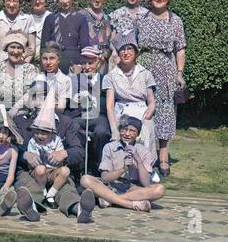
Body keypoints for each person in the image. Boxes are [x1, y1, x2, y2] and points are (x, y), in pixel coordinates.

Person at [13, 86, 95, 223]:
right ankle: (31, 208)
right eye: (35, 97)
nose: (40, 102)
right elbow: (11, 147)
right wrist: (24, 154)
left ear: (55, 102)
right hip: (30, 171)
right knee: (27, 185)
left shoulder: (65, 122)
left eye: (44, 97)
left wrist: (65, 153)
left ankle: (79, 209)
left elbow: (79, 151)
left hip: (57, 172)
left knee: (67, 188)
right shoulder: (21, 121)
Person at [136, 0, 187, 176]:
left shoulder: (175, 20)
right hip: (145, 66)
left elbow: (180, 48)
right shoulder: (142, 18)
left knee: (165, 111)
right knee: (143, 108)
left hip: (166, 69)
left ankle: (163, 155)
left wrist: (179, 72)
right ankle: (143, 154)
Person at [80, 115, 165, 212]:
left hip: (133, 189)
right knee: (85, 179)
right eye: (124, 130)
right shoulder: (109, 147)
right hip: (111, 187)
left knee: (159, 189)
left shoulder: (144, 151)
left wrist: (137, 159)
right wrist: (123, 170)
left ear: (137, 134)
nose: (127, 134)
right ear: (119, 131)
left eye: (132, 131)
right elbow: (105, 178)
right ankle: (130, 204)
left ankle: (109, 199)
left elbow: (146, 183)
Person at [103, 30, 157, 155]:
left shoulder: (145, 74)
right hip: (122, 112)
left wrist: (149, 113)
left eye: (129, 49)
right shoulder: (111, 76)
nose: (126, 53)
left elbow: (151, 102)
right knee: (122, 135)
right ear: (118, 53)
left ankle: (145, 168)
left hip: (142, 112)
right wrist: (114, 129)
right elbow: (110, 106)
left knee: (146, 132)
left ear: (136, 53)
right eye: (122, 50)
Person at [66, 46, 111, 175]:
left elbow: (109, 102)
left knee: (101, 131)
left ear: (98, 63)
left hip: (99, 116)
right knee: (73, 127)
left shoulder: (105, 79)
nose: (87, 66)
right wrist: (76, 99)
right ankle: (77, 167)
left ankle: (100, 167)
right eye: (84, 63)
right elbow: (69, 103)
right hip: (80, 116)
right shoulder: (74, 80)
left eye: (90, 63)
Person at [26, 86, 70, 209]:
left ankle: (51, 194)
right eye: (37, 132)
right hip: (39, 172)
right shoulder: (33, 142)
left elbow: (60, 159)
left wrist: (57, 158)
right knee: (40, 169)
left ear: (52, 133)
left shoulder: (56, 140)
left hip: (53, 170)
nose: (39, 135)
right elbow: (33, 163)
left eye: (44, 133)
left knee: (66, 171)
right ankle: (42, 192)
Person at [41, 0, 90, 73]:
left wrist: (81, 65)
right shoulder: (50, 18)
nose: (65, 1)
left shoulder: (80, 18)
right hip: (53, 63)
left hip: (74, 62)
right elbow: (44, 45)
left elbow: (85, 46)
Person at [0, 31, 39, 109]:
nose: (15, 51)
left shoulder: (31, 70)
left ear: (23, 51)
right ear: (6, 49)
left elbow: (33, 96)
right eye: (12, 47)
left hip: (23, 111)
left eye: (19, 48)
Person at [109, 0, 148, 69]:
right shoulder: (116, 15)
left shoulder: (147, 15)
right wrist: (114, 52)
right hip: (120, 60)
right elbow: (111, 40)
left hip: (142, 62)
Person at [0, 0, 36, 64]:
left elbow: (32, 47)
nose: (11, 5)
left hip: (21, 62)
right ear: (4, 2)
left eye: (15, 1)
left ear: (20, 3)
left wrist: (24, 65)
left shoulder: (28, 20)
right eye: (8, 1)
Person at [79, 0, 112, 73]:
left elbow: (110, 43)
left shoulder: (107, 19)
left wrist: (105, 54)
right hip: (85, 63)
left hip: (102, 62)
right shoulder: (81, 15)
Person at [34, 43, 71, 113]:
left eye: (52, 58)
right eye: (45, 59)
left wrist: (45, 102)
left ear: (59, 60)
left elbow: (61, 109)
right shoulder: (38, 78)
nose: (48, 62)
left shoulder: (65, 80)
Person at [26, 0, 52, 65]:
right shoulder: (25, 19)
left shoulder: (52, 18)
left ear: (45, 0)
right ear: (30, 1)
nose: (37, 2)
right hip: (29, 61)